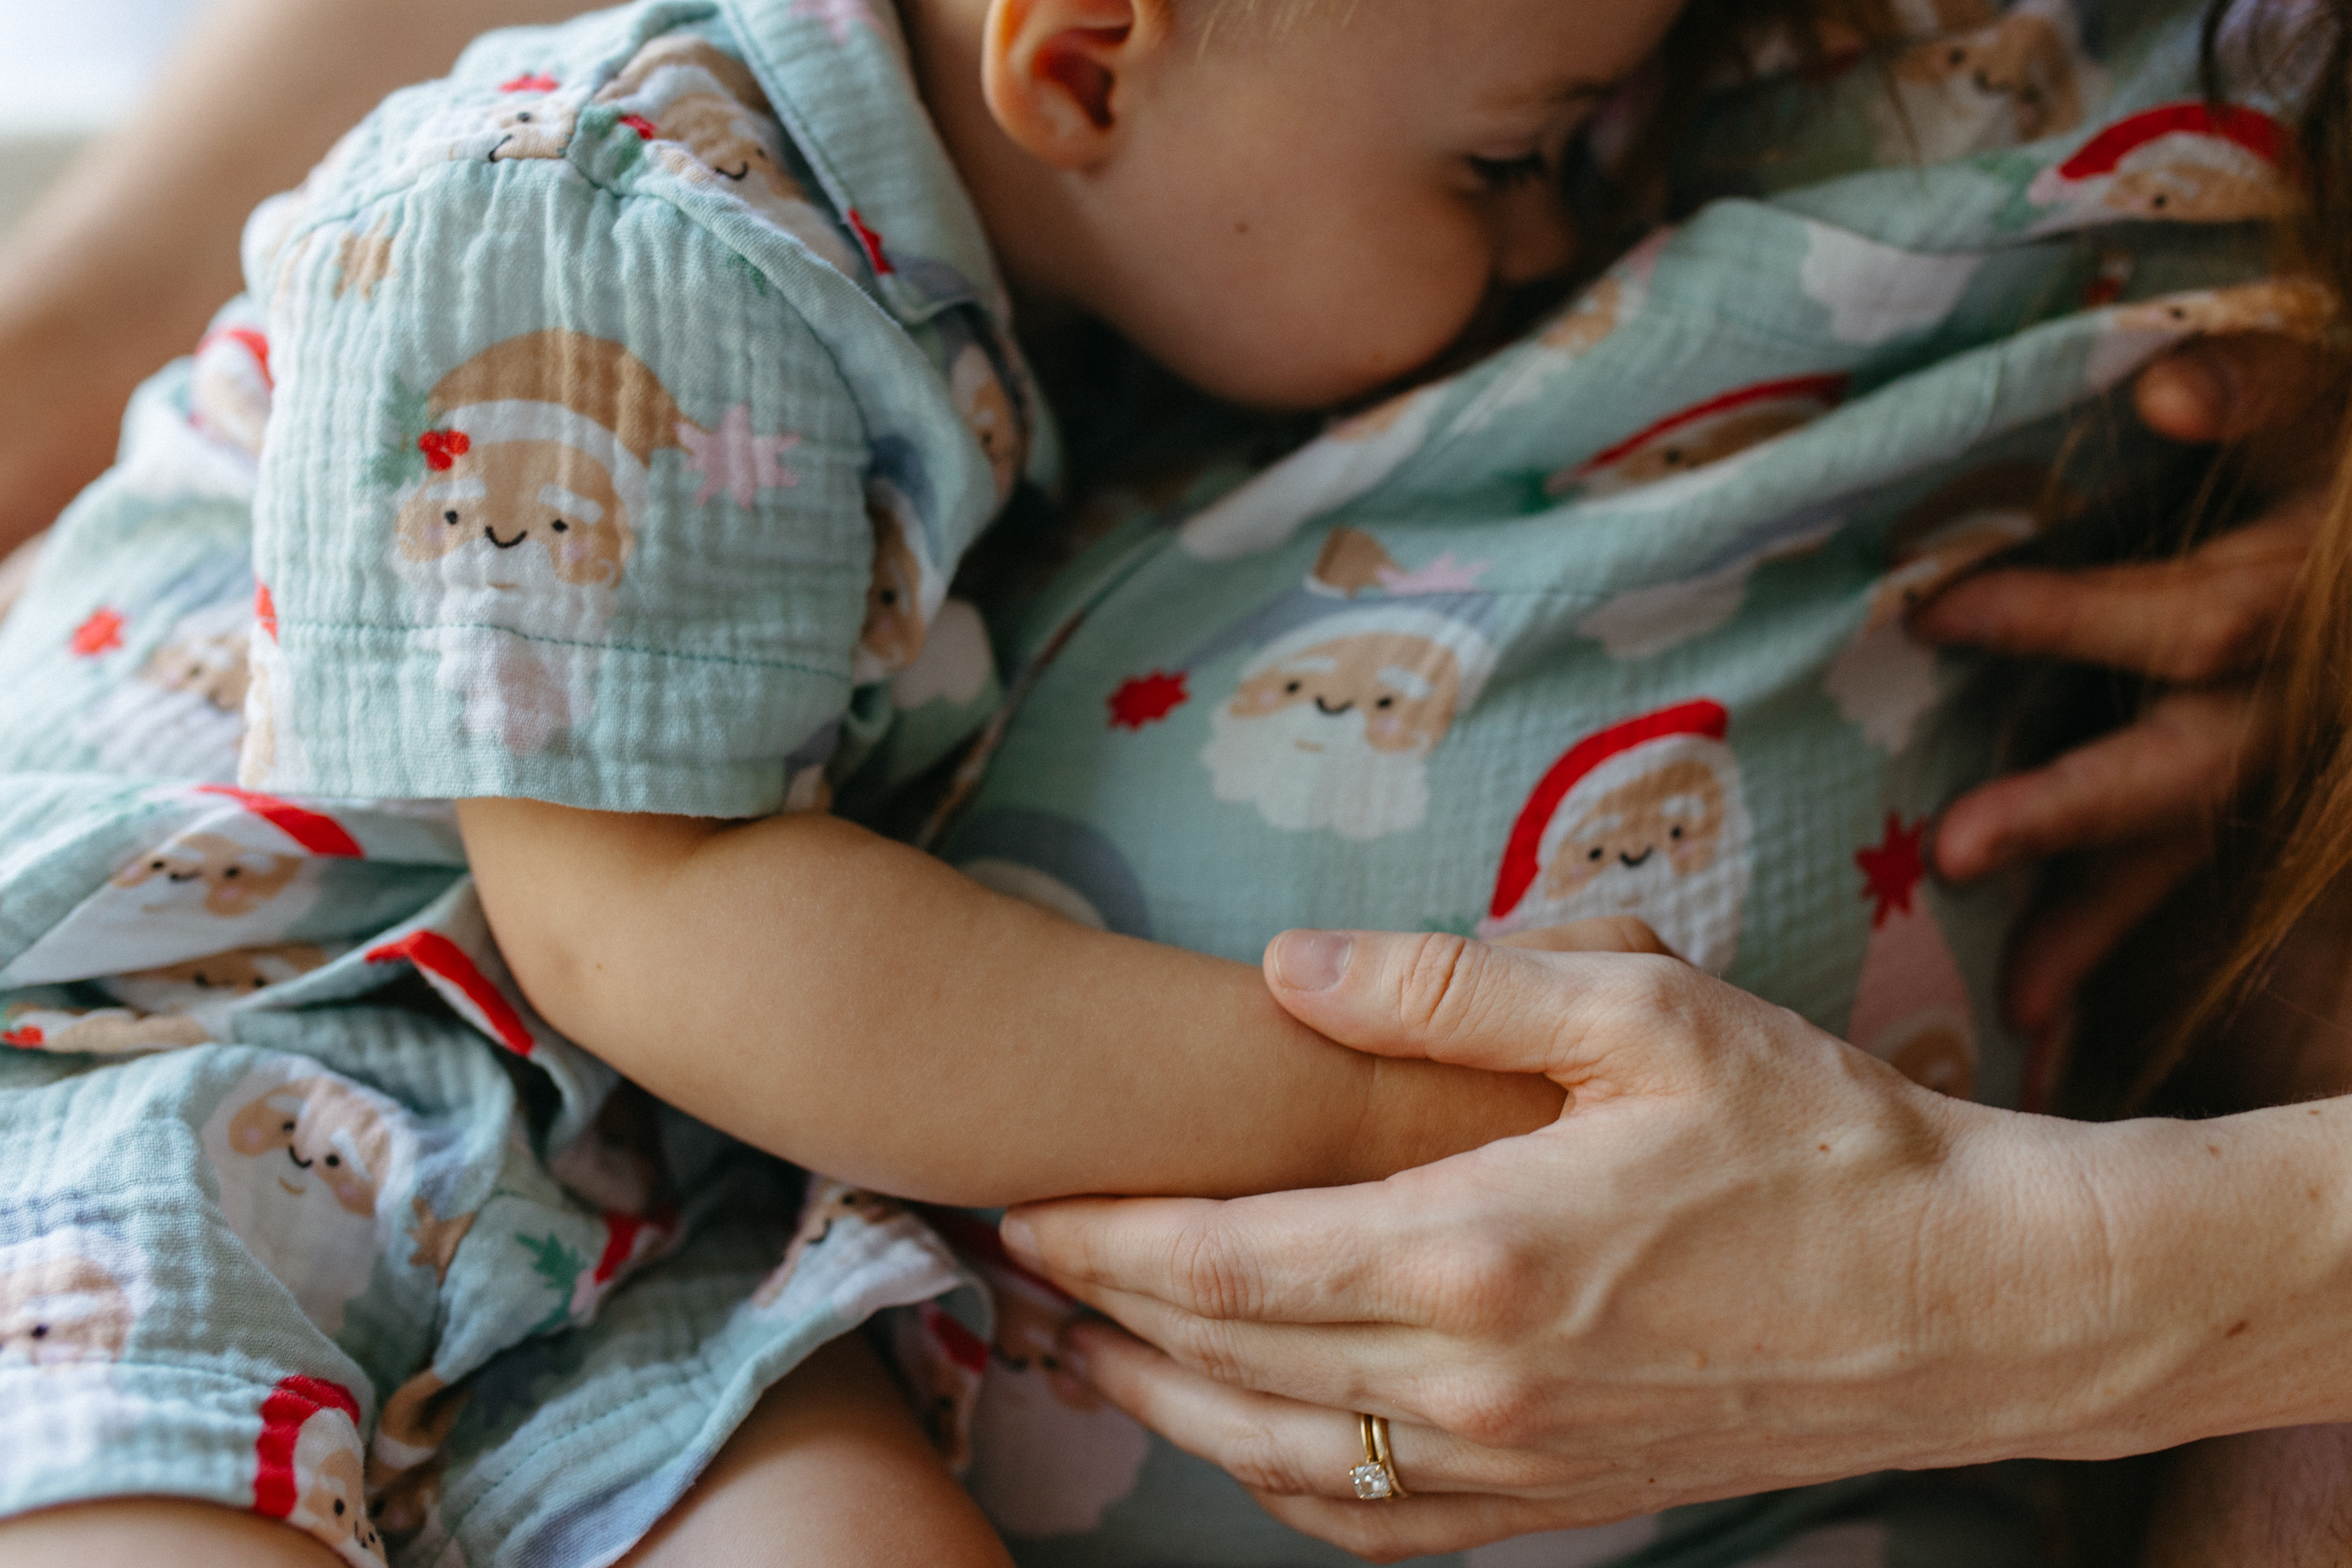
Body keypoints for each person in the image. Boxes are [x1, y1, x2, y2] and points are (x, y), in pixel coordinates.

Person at [0, 6, 2312, 1568]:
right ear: (1087, 54)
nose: (1542, 240)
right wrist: (1419, 1128)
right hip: (199, 1058)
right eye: (1505, 163)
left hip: (640, 1207)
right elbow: (660, 921)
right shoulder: (609, 203)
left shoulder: (1000, 251)